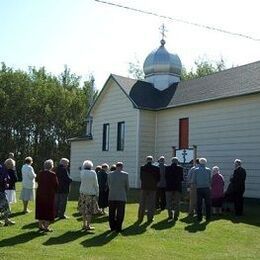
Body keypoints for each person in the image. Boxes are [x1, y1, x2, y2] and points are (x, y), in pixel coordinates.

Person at [35, 159, 58, 232]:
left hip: (40, 194)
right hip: (49, 195)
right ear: (51, 166)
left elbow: (37, 180)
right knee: (48, 210)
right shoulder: (52, 174)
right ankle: (46, 227)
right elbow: (56, 185)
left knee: (40, 209)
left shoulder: (40, 173)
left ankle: (40, 226)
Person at [78, 160, 99, 231]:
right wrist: (97, 192)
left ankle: (84, 224)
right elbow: (96, 184)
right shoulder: (93, 173)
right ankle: (88, 225)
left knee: (83, 210)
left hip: (82, 193)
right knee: (89, 211)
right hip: (90, 194)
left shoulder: (82, 172)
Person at [108, 162, 129, 232]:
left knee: (111, 212)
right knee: (120, 213)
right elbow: (127, 187)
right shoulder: (125, 175)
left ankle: (112, 227)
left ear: (116, 166)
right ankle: (118, 227)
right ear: (122, 167)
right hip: (121, 196)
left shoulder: (110, 174)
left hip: (112, 195)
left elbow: (108, 184)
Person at [138, 156, 160, 223]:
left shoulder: (142, 167)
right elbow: (158, 178)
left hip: (144, 187)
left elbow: (141, 177)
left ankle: (140, 217)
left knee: (142, 203)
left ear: (146, 160)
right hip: (153, 187)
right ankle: (150, 217)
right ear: (152, 160)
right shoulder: (156, 168)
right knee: (151, 203)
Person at [191, 158, 211, 222]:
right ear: (205, 163)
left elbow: (193, 180)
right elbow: (210, 180)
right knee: (207, 203)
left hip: (199, 188)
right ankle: (208, 217)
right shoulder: (208, 170)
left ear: (199, 162)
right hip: (207, 188)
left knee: (199, 203)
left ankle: (199, 218)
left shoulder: (196, 170)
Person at [165, 157, 183, 222]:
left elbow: (165, 177)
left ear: (171, 161)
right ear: (177, 162)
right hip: (177, 187)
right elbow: (181, 178)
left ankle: (170, 215)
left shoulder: (167, 168)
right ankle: (176, 216)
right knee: (177, 202)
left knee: (169, 202)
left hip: (169, 187)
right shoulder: (180, 168)